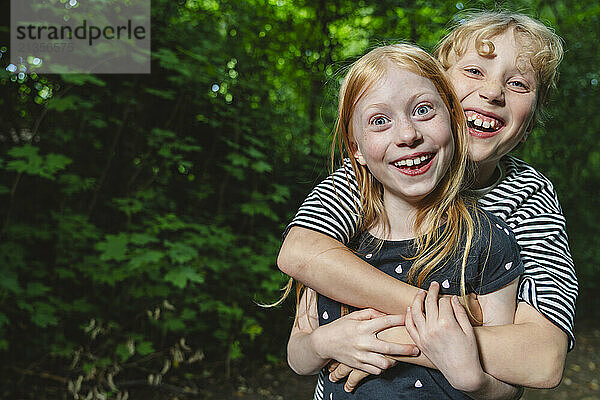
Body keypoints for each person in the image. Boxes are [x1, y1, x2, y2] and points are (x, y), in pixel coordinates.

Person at [279, 10, 577, 392]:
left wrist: (392, 338)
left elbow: (541, 361)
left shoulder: (530, 197)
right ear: (439, 89)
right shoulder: (372, 173)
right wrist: (453, 313)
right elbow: (300, 251)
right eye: (473, 71)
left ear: (528, 125)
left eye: (518, 84)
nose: (492, 92)